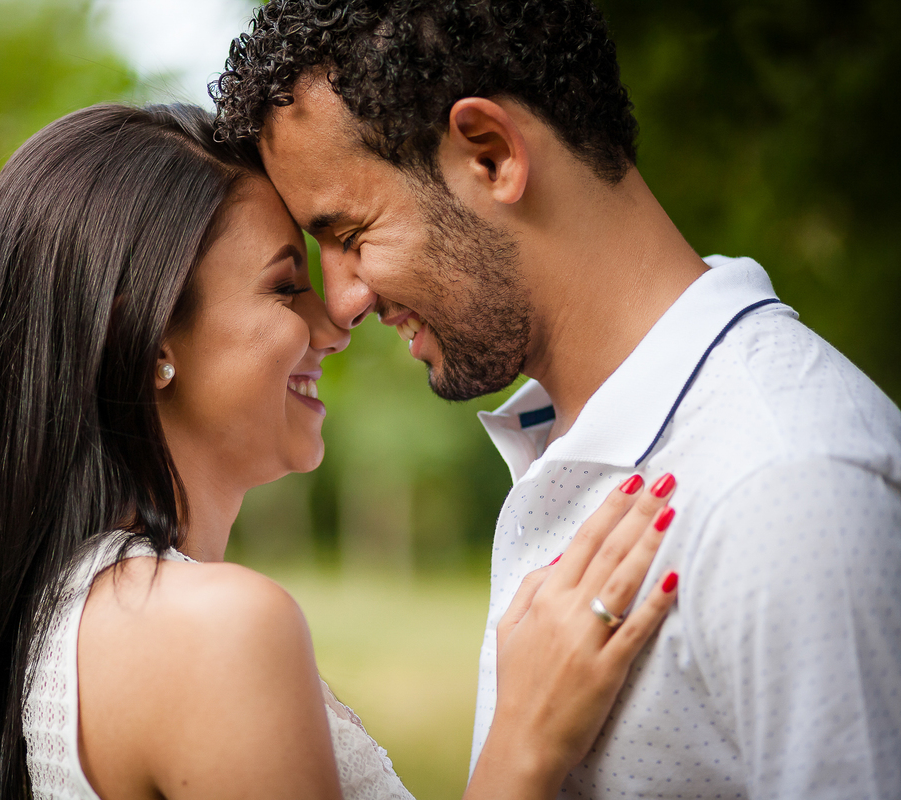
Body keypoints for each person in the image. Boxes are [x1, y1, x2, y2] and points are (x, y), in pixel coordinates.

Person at [210, 1, 901, 798]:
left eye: (352, 235)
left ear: (493, 155)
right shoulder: (576, 438)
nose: (341, 303)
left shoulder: (789, 488)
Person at [0, 102, 682, 800]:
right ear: (137, 338)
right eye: (284, 288)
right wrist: (525, 748)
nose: (336, 324)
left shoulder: (62, 615)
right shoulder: (216, 630)